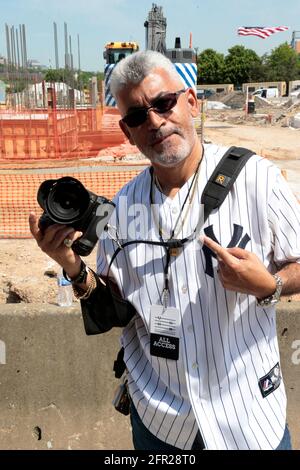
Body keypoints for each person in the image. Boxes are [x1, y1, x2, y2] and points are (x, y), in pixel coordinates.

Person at [29, 50, 300, 450]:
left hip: (248, 418)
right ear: (127, 131)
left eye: (163, 103)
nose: (155, 121)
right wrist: (70, 264)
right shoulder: (119, 207)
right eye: (138, 116)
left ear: (190, 101)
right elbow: (116, 307)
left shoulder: (257, 178)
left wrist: (269, 284)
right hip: (161, 422)